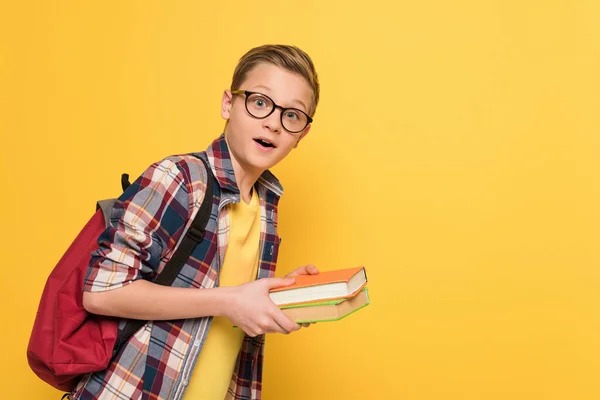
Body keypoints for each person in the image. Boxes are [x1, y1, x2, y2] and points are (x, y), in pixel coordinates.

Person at [71, 44, 321, 400]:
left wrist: (282, 297)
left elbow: (233, 303)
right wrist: (229, 301)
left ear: (302, 135)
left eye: (292, 115)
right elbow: (101, 292)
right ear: (228, 104)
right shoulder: (181, 178)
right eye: (260, 102)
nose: (273, 123)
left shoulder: (266, 204)